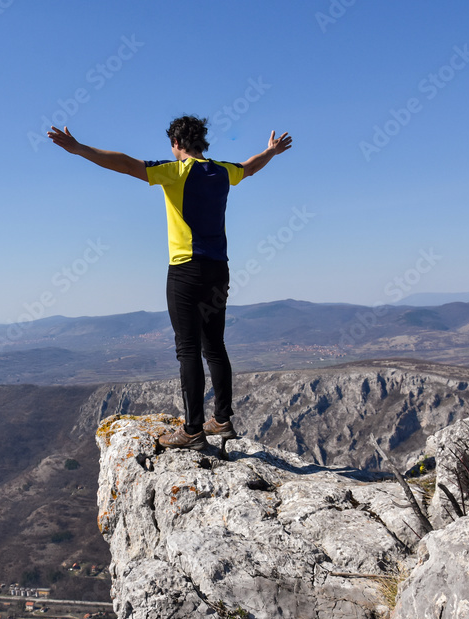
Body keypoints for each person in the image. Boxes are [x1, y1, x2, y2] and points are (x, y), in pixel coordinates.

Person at [48, 116, 292, 449]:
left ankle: (192, 431)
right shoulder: (222, 171)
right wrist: (272, 152)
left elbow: (125, 164)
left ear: (177, 144)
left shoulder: (175, 171)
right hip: (219, 269)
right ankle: (222, 421)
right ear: (201, 142)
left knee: (188, 350)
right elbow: (249, 167)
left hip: (185, 269)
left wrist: (79, 149)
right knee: (215, 347)